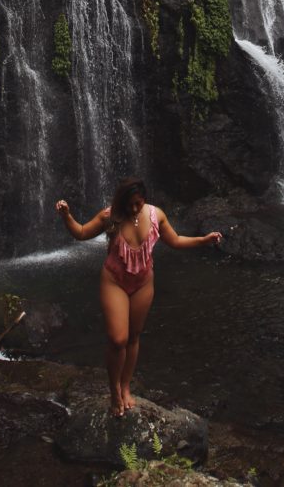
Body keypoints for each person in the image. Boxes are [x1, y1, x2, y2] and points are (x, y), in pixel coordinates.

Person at [55, 177, 222, 417]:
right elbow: (81, 233)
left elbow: (175, 240)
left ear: (144, 200)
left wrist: (203, 240)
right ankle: (114, 391)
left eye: (138, 203)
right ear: (122, 201)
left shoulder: (156, 215)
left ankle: (125, 386)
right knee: (117, 339)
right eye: (130, 204)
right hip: (114, 281)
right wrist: (67, 215)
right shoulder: (110, 216)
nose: (135, 208)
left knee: (133, 336)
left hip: (143, 282)